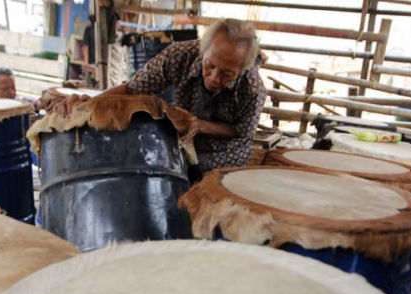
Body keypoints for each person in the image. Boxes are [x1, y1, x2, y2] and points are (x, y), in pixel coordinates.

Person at [53, 18, 266, 180]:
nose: (214, 78)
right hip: (183, 141)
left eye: (227, 74)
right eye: (210, 65)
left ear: (243, 68)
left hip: (225, 152)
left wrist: (200, 125)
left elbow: (242, 131)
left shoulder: (252, 88)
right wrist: (86, 105)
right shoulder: (179, 56)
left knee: (213, 189)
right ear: (203, 49)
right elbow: (132, 89)